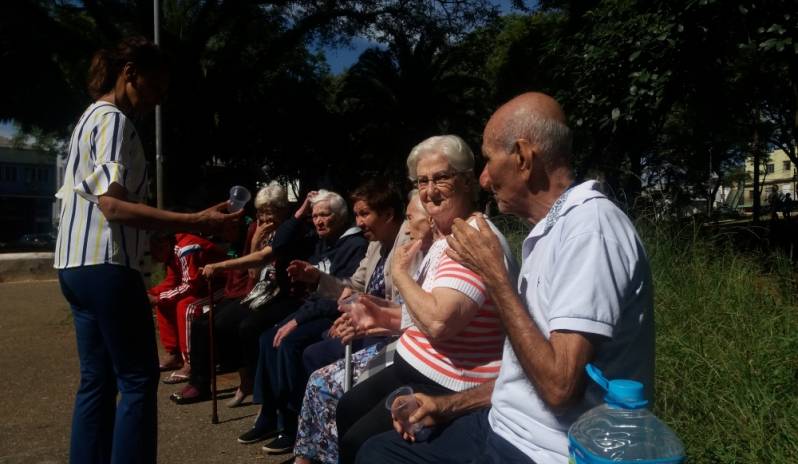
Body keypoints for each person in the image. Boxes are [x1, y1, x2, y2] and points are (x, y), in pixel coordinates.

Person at [356, 92, 654, 464]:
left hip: (542, 450)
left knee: (376, 455)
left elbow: (560, 387)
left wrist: (495, 276)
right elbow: (520, 379)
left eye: (487, 160)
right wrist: (447, 405)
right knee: (375, 449)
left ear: (524, 158)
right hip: (502, 424)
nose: (482, 178)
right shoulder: (550, 232)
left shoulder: (589, 230)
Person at [54, 37, 241, 464]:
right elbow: (113, 204)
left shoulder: (86, 119)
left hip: (73, 265)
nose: (158, 100)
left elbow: (94, 200)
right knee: (137, 379)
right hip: (107, 265)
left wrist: (155, 233)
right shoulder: (115, 121)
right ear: (130, 72)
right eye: (156, 88)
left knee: (96, 380)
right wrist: (194, 222)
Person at [335, 135, 518, 464]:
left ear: (465, 180)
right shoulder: (443, 236)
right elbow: (424, 312)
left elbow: (439, 321)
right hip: (415, 366)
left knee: (358, 443)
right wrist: (382, 316)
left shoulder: (472, 239)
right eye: (422, 180)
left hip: (450, 382)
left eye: (441, 178)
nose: (430, 190)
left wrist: (401, 274)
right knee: (347, 407)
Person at [292, 188, 430, 464]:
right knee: (312, 353)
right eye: (356, 214)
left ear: (390, 215)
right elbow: (353, 287)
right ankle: (311, 446)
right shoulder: (376, 244)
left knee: (319, 369)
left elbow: (411, 310)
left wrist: (364, 313)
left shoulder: (413, 244)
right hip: (377, 327)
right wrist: (317, 277)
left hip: (391, 335)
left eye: (364, 214)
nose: (358, 223)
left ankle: (324, 449)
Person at [238, 189, 368, 453]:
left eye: (325, 215)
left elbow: (340, 294)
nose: (319, 221)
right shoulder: (318, 242)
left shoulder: (353, 246)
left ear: (341, 217)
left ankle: (292, 420)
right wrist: (299, 213)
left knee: (289, 343)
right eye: (315, 216)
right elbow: (280, 243)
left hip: (334, 312)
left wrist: (296, 321)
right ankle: (270, 414)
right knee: (267, 338)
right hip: (312, 309)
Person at [170, 181, 313, 405]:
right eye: (262, 212)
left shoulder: (289, 230)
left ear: (283, 211)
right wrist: (256, 239)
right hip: (255, 290)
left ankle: (250, 381)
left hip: (277, 293)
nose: (265, 218)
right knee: (202, 322)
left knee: (236, 325)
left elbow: (262, 261)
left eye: (271, 212)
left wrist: (223, 265)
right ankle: (200, 382)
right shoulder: (256, 229)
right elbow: (253, 273)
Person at [148, 231, 227, 383]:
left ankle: (192, 363)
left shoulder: (186, 249)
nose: (153, 257)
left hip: (221, 285)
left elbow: (190, 285)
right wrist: (151, 294)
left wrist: (158, 298)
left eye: (154, 251)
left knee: (187, 307)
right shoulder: (173, 250)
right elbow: (172, 281)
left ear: (164, 245)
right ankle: (174, 354)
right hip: (201, 286)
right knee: (164, 302)